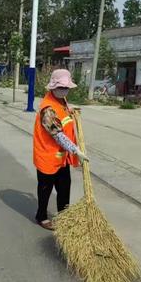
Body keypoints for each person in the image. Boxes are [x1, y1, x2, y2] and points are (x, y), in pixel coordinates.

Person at [33, 69, 89, 231]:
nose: (64, 90)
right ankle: (41, 217)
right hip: (47, 156)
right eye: (61, 87)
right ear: (53, 87)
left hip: (61, 158)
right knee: (45, 189)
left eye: (66, 88)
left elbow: (63, 113)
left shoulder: (61, 101)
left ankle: (64, 216)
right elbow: (57, 135)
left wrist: (71, 110)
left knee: (65, 187)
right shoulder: (47, 109)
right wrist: (75, 150)